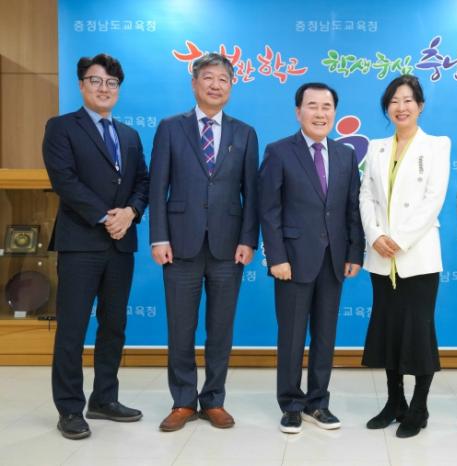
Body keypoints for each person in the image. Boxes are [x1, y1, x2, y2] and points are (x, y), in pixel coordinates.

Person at [149, 53, 259, 432]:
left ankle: (213, 400)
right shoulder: (170, 128)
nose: (215, 85)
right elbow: (158, 187)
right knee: (180, 328)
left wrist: (249, 239)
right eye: (208, 77)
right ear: (194, 83)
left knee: (221, 328)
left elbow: (252, 193)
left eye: (223, 79)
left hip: (229, 247)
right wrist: (159, 237)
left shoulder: (245, 133)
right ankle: (183, 400)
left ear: (231, 86)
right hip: (179, 244)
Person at [43, 53, 149, 439]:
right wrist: (107, 217)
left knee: (114, 326)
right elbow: (64, 181)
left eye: (111, 83)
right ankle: (70, 408)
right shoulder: (61, 127)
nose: (104, 88)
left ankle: (104, 398)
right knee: (72, 328)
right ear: (81, 84)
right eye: (96, 80)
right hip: (81, 242)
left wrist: (131, 212)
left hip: (121, 245)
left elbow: (143, 181)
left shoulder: (129, 135)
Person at [258, 82, 364, 434]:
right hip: (291, 261)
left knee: (324, 335)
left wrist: (354, 251)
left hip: (334, 260)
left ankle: (318, 402)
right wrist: (276, 256)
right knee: (291, 336)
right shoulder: (279, 151)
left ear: (335, 112)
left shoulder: (346, 154)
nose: (320, 113)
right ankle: (291, 404)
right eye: (312, 106)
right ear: (298, 111)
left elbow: (352, 208)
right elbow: (269, 209)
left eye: (327, 107)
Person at [359, 74, 450, 439]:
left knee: (418, 332)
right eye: (394, 101)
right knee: (389, 331)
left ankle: (419, 406)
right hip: (381, 256)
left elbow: (433, 199)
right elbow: (366, 195)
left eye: (408, 100)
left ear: (420, 105)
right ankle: (394, 402)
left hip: (417, 255)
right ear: (387, 108)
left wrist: (398, 239)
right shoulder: (376, 147)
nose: (401, 107)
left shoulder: (437, 145)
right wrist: (375, 235)